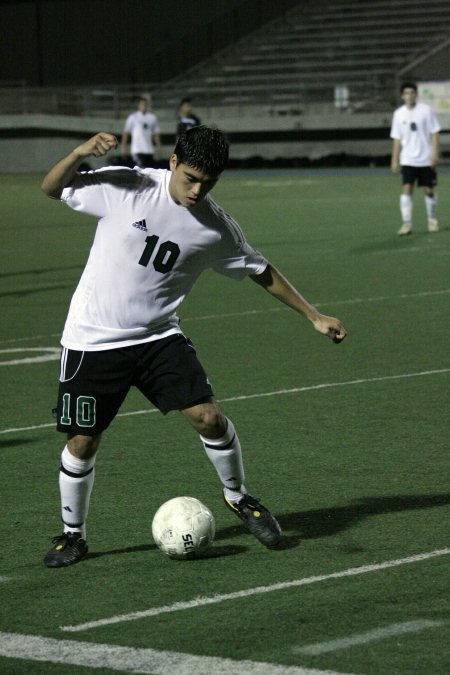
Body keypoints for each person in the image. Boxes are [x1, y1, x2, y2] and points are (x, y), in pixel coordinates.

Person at [40, 126, 347, 568]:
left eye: (209, 182)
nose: (197, 190)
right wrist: (81, 152)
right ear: (172, 163)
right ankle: (73, 535)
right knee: (83, 442)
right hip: (93, 340)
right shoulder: (129, 187)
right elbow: (53, 189)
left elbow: (260, 269)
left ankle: (239, 498)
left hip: (157, 337)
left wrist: (314, 315)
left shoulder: (215, 227)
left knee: (208, 416)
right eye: (190, 178)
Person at [390, 82, 441, 236]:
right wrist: (394, 159)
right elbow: (397, 139)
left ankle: (431, 219)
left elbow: (435, 133)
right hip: (408, 160)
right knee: (406, 189)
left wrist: (435, 153)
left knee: (428, 190)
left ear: (416, 95)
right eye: (406, 93)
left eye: (412, 92)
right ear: (402, 96)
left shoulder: (426, 111)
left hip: (425, 159)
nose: (409, 95)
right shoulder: (398, 114)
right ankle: (407, 224)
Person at [120, 97, 162, 168]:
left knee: (149, 173)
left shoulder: (152, 117)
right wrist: (123, 146)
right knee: (141, 171)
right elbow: (126, 132)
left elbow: (156, 133)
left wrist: (159, 146)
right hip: (137, 150)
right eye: (142, 104)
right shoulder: (133, 117)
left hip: (149, 150)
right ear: (138, 105)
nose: (144, 106)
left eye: (145, 104)